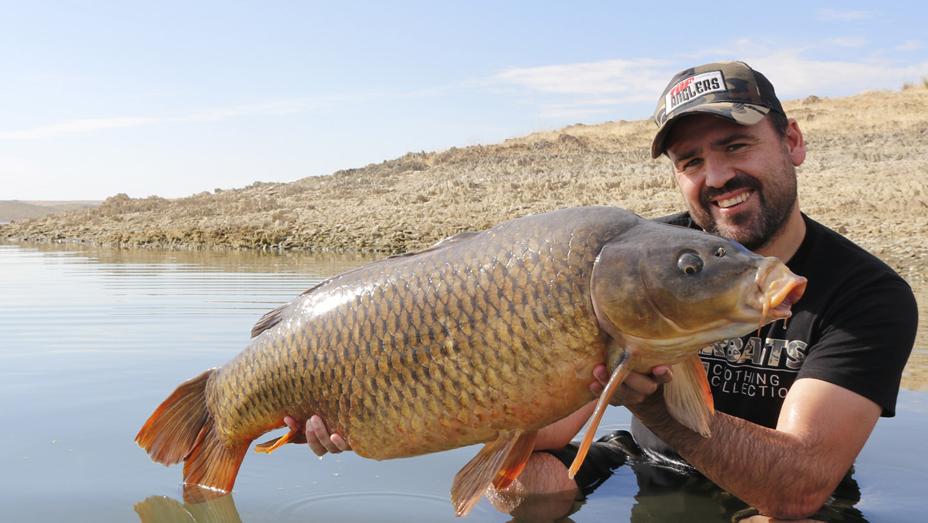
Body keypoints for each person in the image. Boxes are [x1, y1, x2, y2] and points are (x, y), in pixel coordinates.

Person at [293, 60, 918, 520]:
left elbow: (801, 482)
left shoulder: (865, 294)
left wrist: (649, 403)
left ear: (792, 142)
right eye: (691, 161)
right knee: (523, 481)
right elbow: (553, 425)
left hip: (785, 497)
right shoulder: (641, 259)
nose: (718, 175)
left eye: (736, 146)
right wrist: (371, 409)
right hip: (644, 469)